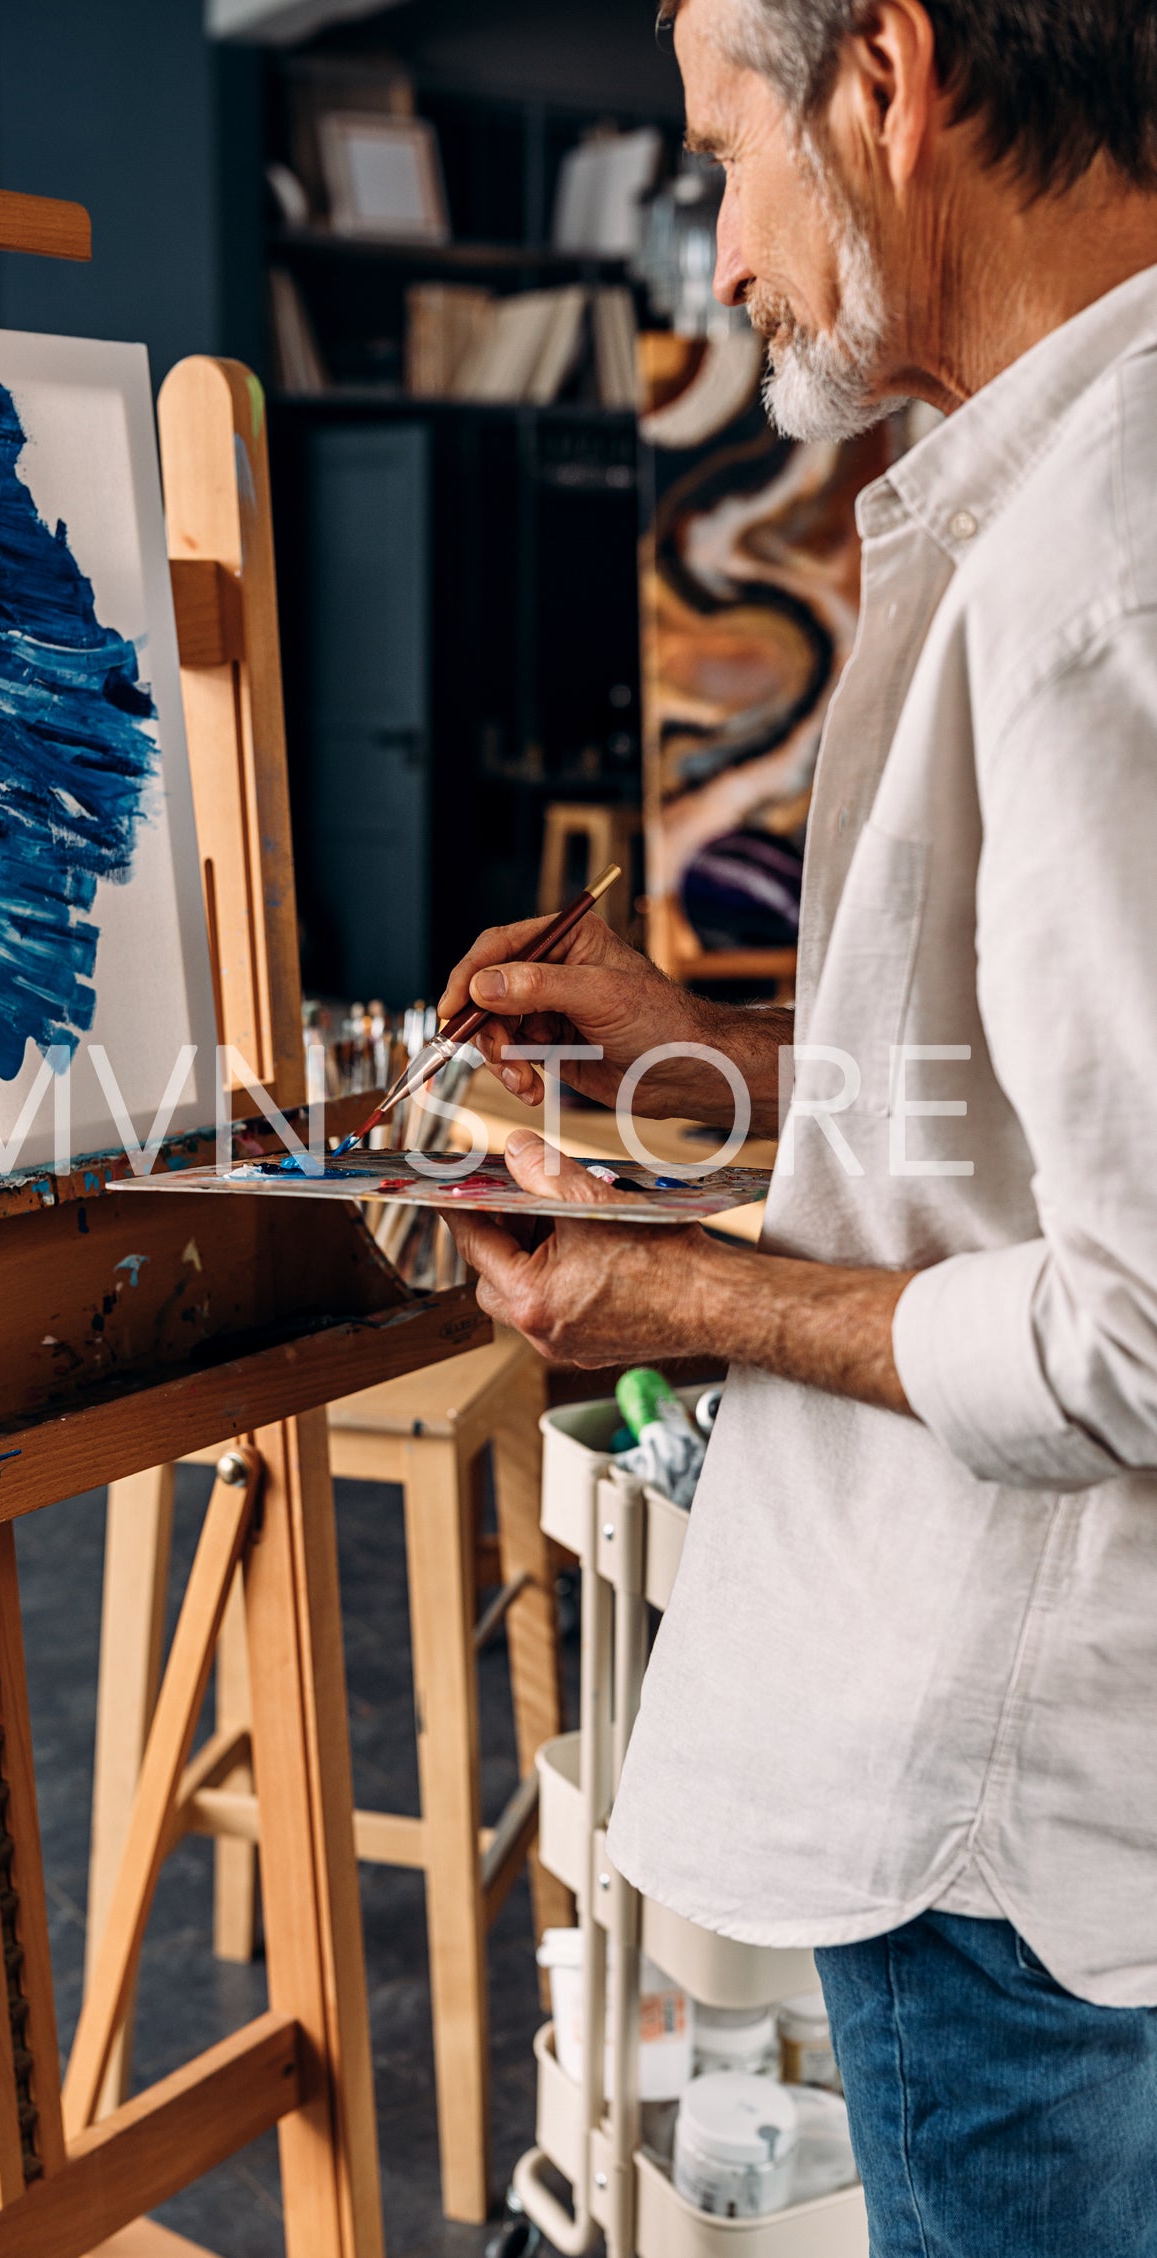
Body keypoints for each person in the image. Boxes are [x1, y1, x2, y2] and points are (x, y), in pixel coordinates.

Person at [438, 3, 1157, 2251]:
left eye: (722, 151)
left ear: (891, 80)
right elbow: (1073, 1092)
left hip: (1029, 1841)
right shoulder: (1043, 488)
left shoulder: (1095, 572)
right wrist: (731, 1049)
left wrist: (686, 1289)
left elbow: (1140, 1322)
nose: (722, 253)